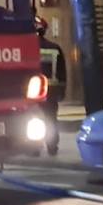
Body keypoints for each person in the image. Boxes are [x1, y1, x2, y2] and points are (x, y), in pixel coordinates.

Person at [36, 17, 67, 156]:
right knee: (51, 119)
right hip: (51, 91)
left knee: (34, 118)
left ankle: (34, 147)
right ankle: (52, 146)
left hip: (33, 91)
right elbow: (62, 72)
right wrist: (62, 90)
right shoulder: (55, 48)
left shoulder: (26, 48)